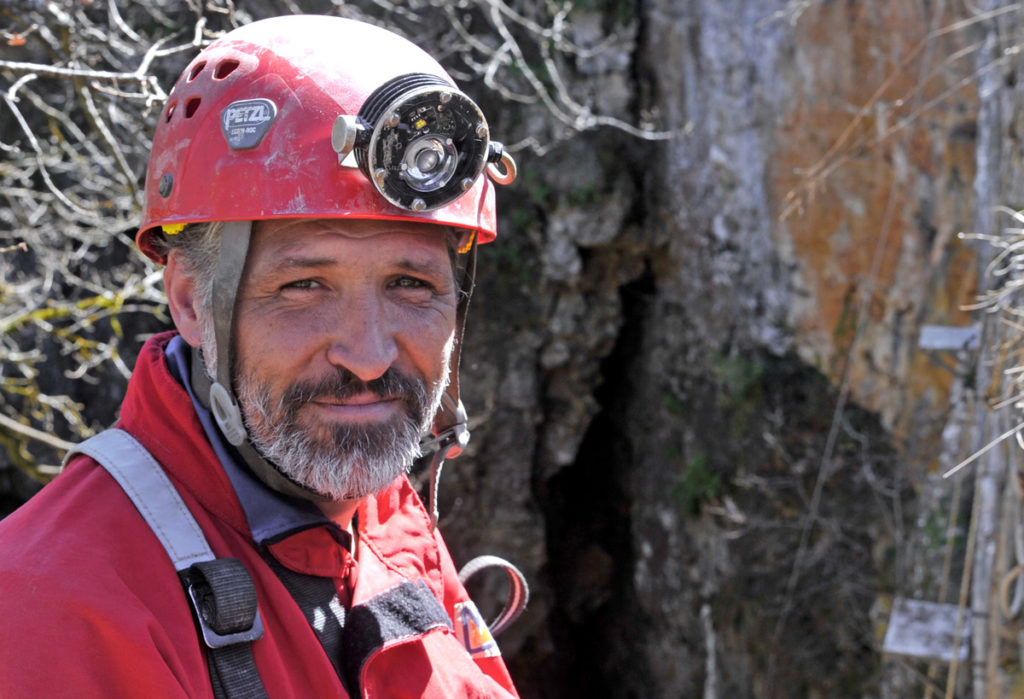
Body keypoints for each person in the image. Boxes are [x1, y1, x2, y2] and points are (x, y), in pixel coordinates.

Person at [0, 15, 523, 697]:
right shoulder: (54, 610)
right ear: (191, 301)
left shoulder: (381, 523)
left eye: (411, 284)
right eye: (305, 286)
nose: (367, 355)